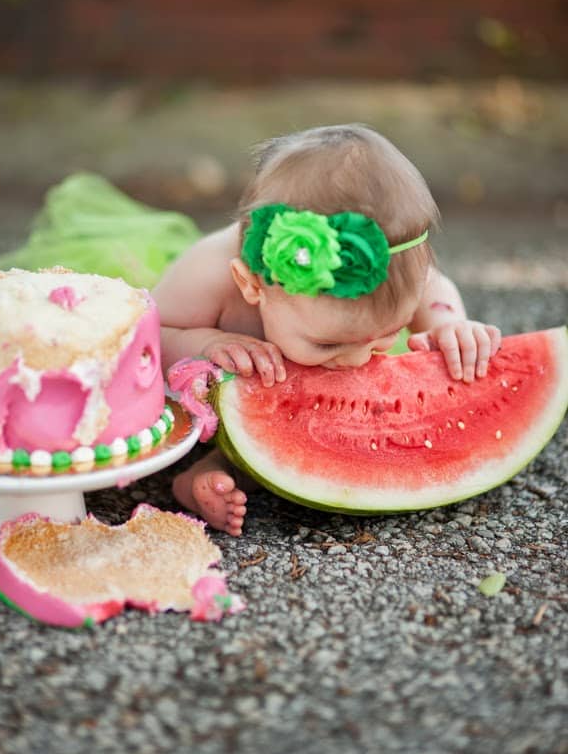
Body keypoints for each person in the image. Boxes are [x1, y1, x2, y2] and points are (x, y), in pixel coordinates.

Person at [152, 125, 502, 536]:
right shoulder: (207, 273)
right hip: (224, 403)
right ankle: (201, 475)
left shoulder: (401, 265)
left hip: (318, 407)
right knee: (250, 435)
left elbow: (434, 287)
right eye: (328, 343)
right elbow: (150, 335)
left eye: (385, 334)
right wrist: (207, 343)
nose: (355, 361)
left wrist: (448, 323)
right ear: (252, 286)